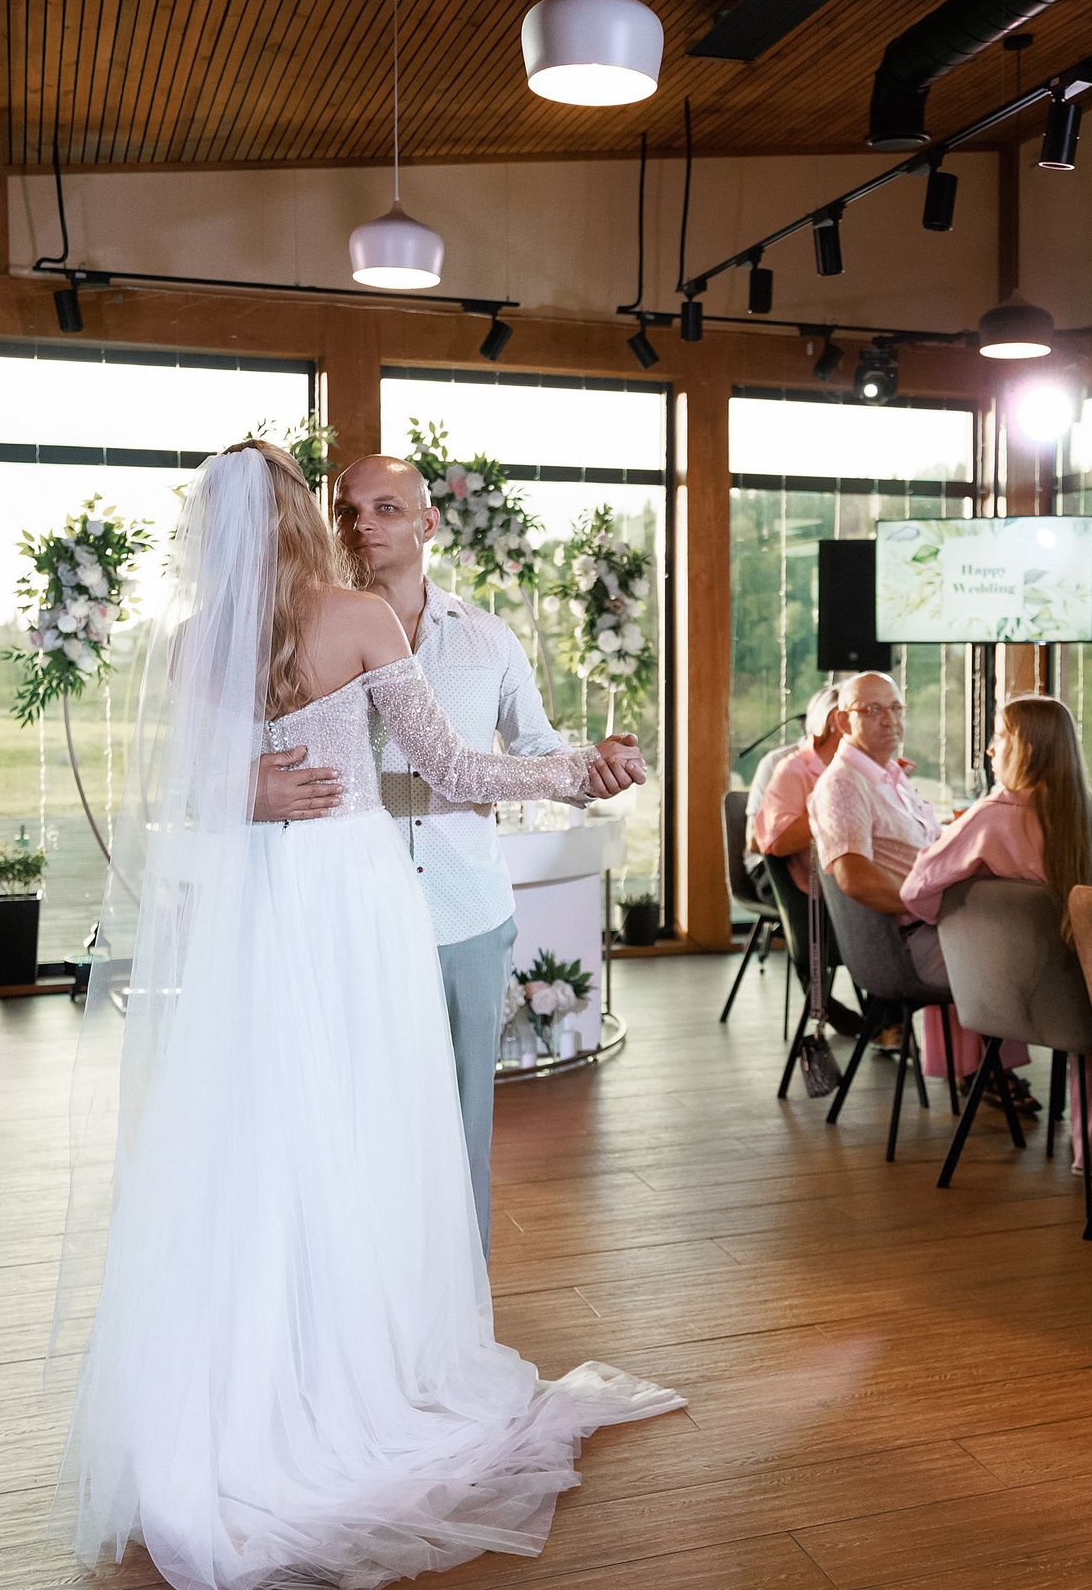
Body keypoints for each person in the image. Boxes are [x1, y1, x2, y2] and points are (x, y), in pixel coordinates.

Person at [55, 444, 679, 1589]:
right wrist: (576, 769)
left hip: (258, 911)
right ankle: (359, 1372)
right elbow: (446, 769)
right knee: (368, 1131)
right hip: (348, 904)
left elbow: (183, 785)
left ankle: (263, 1376)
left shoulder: (196, 639)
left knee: (261, 1131)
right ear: (306, 515)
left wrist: (252, 793)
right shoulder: (355, 618)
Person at [253, 454, 638, 1256]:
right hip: (353, 913)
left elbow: (533, 746)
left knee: (463, 1120)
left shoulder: (488, 638)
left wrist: (588, 769)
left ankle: (463, 1306)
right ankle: (374, 1297)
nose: (363, 526)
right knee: (361, 1117)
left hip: (466, 909)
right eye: (349, 511)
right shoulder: (303, 637)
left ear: (426, 524)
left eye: (386, 509)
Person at [902, 697, 1092, 1173]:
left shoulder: (988, 818)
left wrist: (965, 917)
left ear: (1026, 749)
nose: (990, 751)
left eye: (998, 738)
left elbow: (917, 889)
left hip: (1004, 998)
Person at [810, 673, 1028, 1104]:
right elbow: (853, 876)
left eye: (895, 707)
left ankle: (988, 1070)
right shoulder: (843, 784)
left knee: (1013, 924)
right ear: (841, 720)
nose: (889, 720)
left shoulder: (887, 775)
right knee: (1029, 952)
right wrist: (936, 905)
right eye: (872, 710)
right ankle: (1000, 1073)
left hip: (931, 927)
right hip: (907, 944)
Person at [748, 682, 847, 892]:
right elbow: (755, 842)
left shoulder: (856, 766)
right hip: (775, 870)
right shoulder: (779, 764)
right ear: (833, 720)